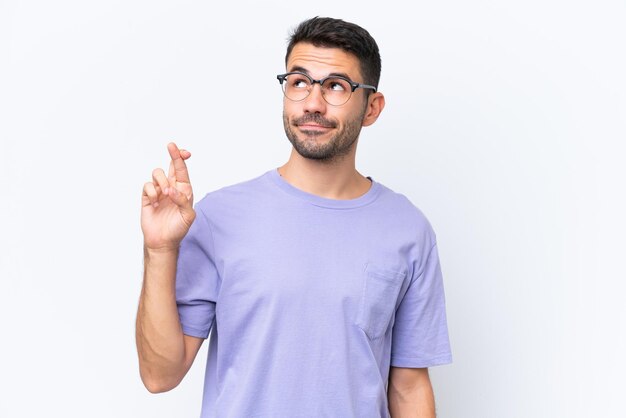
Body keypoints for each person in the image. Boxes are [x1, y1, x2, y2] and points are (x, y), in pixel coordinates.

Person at [136, 16, 452, 418]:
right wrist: (160, 250)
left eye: (337, 86)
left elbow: (408, 389)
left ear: (372, 107)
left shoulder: (408, 230)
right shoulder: (219, 218)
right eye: (299, 81)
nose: (313, 103)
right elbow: (159, 375)